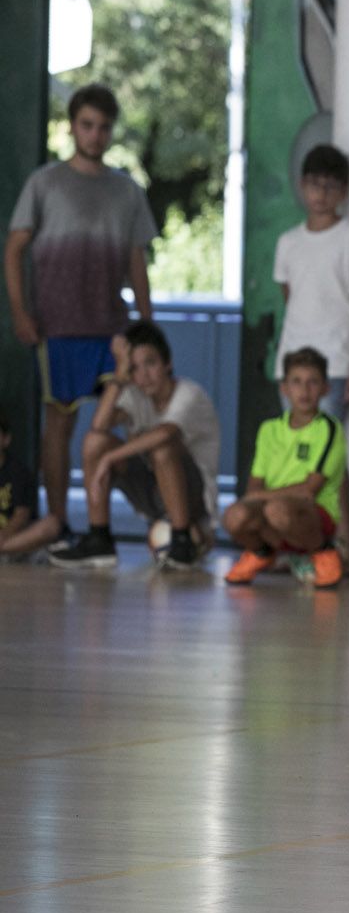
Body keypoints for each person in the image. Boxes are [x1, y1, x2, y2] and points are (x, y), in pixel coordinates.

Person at [4, 83, 156, 547]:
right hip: (59, 326)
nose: (95, 135)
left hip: (112, 328)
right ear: (72, 126)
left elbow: (136, 263)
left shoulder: (127, 190)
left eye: (104, 127)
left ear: (112, 132)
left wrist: (145, 328)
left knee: (129, 422)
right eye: (87, 125)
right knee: (60, 425)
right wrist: (20, 311)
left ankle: (153, 519)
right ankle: (58, 523)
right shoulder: (44, 183)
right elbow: (14, 249)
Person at [46, 321, 220, 570]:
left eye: (151, 363)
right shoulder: (134, 394)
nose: (144, 375)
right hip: (153, 491)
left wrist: (110, 458)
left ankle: (183, 541)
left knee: (162, 447)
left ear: (167, 363)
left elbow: (164, 434)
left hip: (194, 499)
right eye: (135, 368)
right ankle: (100, 539)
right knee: (95, 442)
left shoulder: (190, 394)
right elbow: (99, 426)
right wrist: (119, 375)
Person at [273, 144, 349, 570]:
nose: (321, 194)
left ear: (344, 192)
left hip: (334, 362)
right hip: (292, 363)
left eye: (330, 186)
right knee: (292, 452)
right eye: (315, 184)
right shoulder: (288, 242)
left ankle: (344, 546)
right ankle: (296, 545)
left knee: (330, 460)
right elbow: (288, 297)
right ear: (302, 186)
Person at [223, 346, 347, 589]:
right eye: (297, 382)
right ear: (284, 388)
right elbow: (254, 485)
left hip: (314, 515)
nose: (304, 390)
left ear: (325, 389)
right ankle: (261, 553)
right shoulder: (269, 429)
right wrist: (257, 498)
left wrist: (261, 497)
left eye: (313, 383)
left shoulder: (329, 429)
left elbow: (308, 491)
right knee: (233, 516)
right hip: (274, 511)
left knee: (277, 510)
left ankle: (323, 551)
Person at [0, 411, 40, 559]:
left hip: (11, 536)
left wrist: (3, 535)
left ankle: (8, 550)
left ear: (6, 439)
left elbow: (21, 515)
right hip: (10, 545)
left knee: (51, 525)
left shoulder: (18, 471)